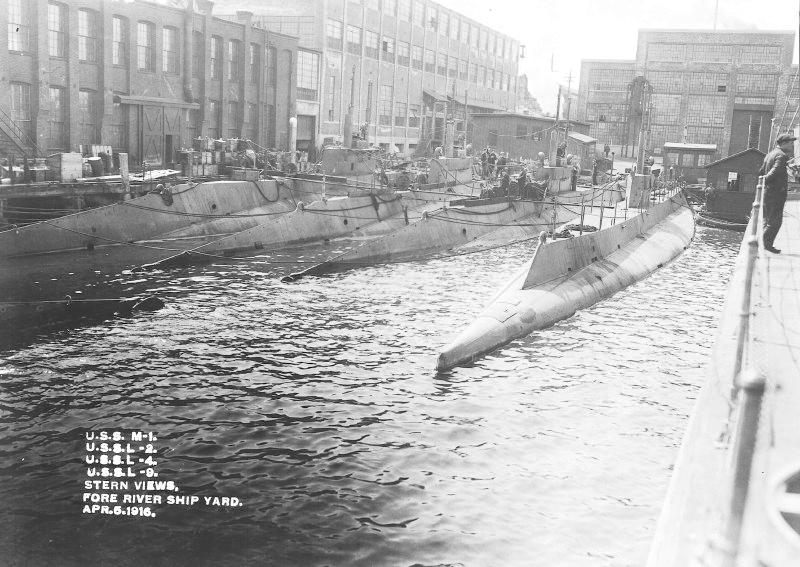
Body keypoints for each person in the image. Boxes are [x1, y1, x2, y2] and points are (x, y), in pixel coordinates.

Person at [760, 132, 796, 253]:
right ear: (784, 143)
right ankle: (763, 244)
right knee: (775, 221)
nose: (792, 145)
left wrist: (763, 181)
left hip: (767, 193)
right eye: (791, 143)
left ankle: (765, 244)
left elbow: (761, 171)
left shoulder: (770, 154)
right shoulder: (781, 155)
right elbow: (774, 172)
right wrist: (766, 179)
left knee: (768, 220)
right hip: (776, 194)